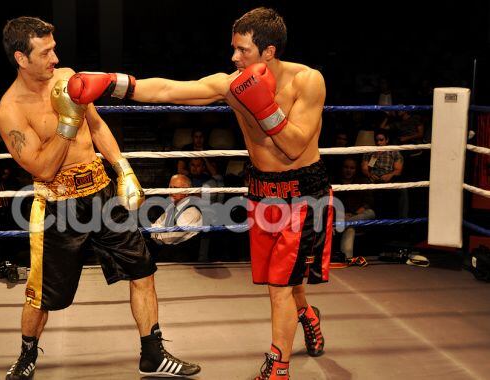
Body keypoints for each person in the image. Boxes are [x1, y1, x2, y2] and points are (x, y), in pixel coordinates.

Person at [68, 7, 332, 380]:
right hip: (261, 192)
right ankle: (308, 315)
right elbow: (168, 89)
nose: (234, 57)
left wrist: (265, 106)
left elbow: (294, 144)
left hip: (303, 194)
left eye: (242, 50)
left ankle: (278, 369)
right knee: (286, 284)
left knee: (280, 287)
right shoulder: (231, 84)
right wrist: (114, 82)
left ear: (269, 51)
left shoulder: (308, 81)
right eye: (234, 49)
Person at [0, 17, 200, 380]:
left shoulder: (67, 77)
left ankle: (152, 354)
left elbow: (98, 126)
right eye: (45, 52)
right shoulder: (10, 110)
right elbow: (42, 168)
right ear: (21, 58)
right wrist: (67, 122)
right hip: (58, 206)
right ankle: (27, 355)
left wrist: (124, 169)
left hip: (102, 193)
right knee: (42, 297)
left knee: (143, 271)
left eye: (54, 48)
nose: (55, 58)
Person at [149, 174, 203, 262]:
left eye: (175, 188)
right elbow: (158, 223)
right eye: (170, 187)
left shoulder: (192, 212)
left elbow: (169, 239)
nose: (171, 191)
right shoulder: (171, 207)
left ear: (186, 192)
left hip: (181, 262)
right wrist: (155, 232)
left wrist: (154, 233)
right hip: (165, 255)